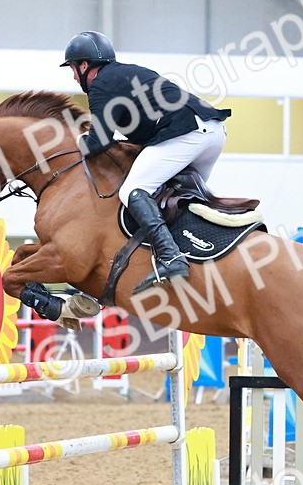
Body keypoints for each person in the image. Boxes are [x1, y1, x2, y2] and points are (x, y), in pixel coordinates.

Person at [62, 31, 231, 293]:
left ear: (84, 65)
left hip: (188, 133)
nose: (74, 77)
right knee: (177, 198)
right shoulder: (124, 74)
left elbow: (97, 143)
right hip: (212, 133)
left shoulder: (101, 84)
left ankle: (171, 257)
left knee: (133, 190)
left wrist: (76, 142)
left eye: (73, 69)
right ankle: (201, 253)